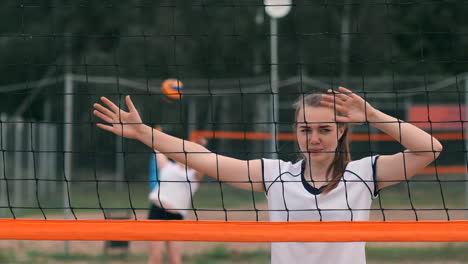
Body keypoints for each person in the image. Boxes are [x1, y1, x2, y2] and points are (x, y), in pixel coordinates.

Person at [93, 86, 442, 264]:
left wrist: (372, 114)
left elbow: (430, 149)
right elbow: (203, 157)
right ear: (296, 132)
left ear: (340, 132)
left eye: (324, 129)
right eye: (306, 129)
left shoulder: (364, 174)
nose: (314, 137)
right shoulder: (276, 175)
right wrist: (142, 133)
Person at [146, 135, 206, 264]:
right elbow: (157, 146)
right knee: (156, 257)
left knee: (175, 260)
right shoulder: (167, 166)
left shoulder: (193, 175)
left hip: (177, 218)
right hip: (157, 213)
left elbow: (203, 161)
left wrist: (198, 146)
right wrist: (156, 133)